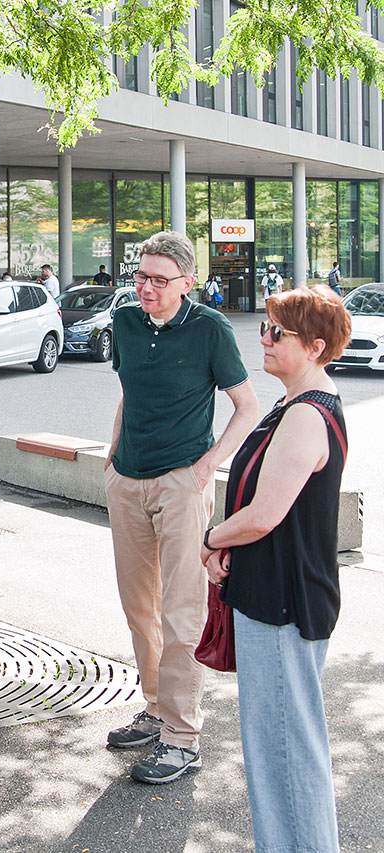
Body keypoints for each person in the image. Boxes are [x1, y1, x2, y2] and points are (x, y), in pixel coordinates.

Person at [103, 230, 259, 783]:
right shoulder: (124, 321)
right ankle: (154, 708)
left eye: (158, 279)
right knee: (137, 605)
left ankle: (182, 736)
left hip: (181, 483)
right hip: (127, 480)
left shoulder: (210, 329)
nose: (145, 287)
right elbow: (130, 389)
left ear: (186, 283)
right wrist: (113, 448)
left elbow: (247, 405)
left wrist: (207, 466)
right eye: (140, 276)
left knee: (182, 610)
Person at [200, 286, 350, 852]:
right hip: (273, 595)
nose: (262, 339)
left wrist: (209, 539)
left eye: (275, 333)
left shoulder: (308, 414)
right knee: (277, 751)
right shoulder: (295, 404)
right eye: (264, 328)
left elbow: (264, 515)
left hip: (285, 603)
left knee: (286, 754)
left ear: (313, 347)